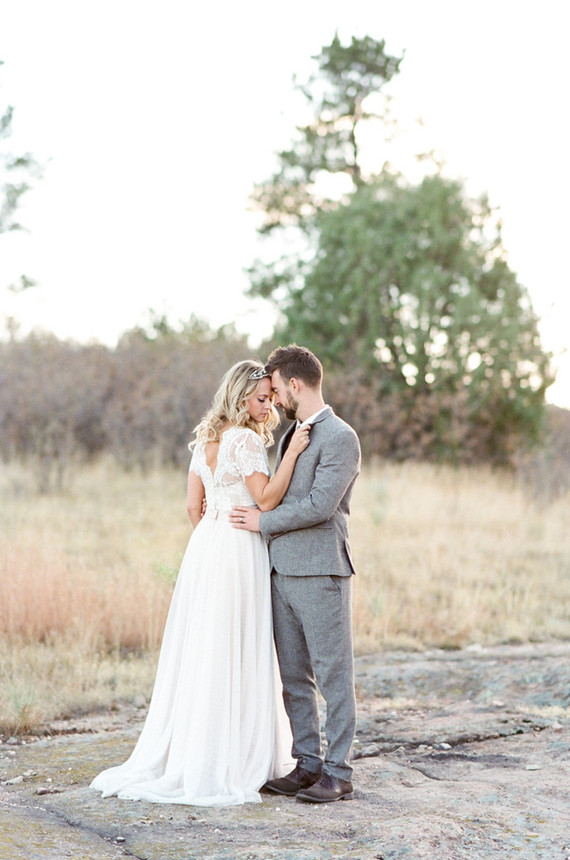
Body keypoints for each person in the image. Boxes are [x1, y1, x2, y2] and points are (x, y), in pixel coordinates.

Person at [90, 360, 310, 806]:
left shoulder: (206, 439)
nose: (268, 407)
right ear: (240, 396)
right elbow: (266, 499)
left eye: (271, 399)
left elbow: (194, 507)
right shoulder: (245, 439)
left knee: (207, 645)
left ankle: (202, 749)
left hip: (205, 548)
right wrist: (291, 455)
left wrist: (211, 539)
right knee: (235, 643)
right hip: (238, 546)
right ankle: (232, 755)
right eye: (261, 399)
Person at [230, 345, 361, 803]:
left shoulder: (341, 437)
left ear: (295, 384)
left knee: (333, 676)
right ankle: (307, 764)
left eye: (277, 389)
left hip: (321, 572)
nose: (274, 399)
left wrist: (262, 522)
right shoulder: (291, 436)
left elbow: (320, 506)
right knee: (293, 678)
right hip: (280, 572)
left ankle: (338, 772)